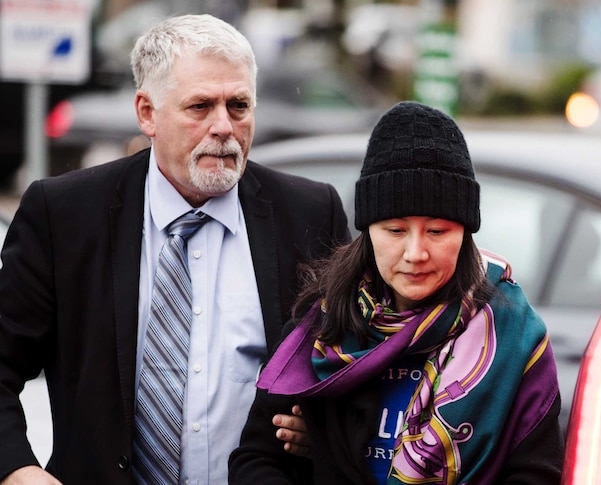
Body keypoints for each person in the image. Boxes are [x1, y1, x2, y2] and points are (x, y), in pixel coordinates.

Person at [0, 14, 349, 485]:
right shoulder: (63, 215)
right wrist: (18, 473)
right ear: (147, 113)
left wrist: (327, 428)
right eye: (201, 106)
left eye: (239, 105)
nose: (224, 126)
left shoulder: (309, 213)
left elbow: (357, 365)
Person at [228, 101, 563, 484]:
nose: (416, 253)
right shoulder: (324, 328)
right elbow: (255, 459)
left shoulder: (514, 337)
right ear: (368, 231)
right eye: (395, 231)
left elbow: (538, 475)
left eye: (437, 231)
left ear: (466, 232)